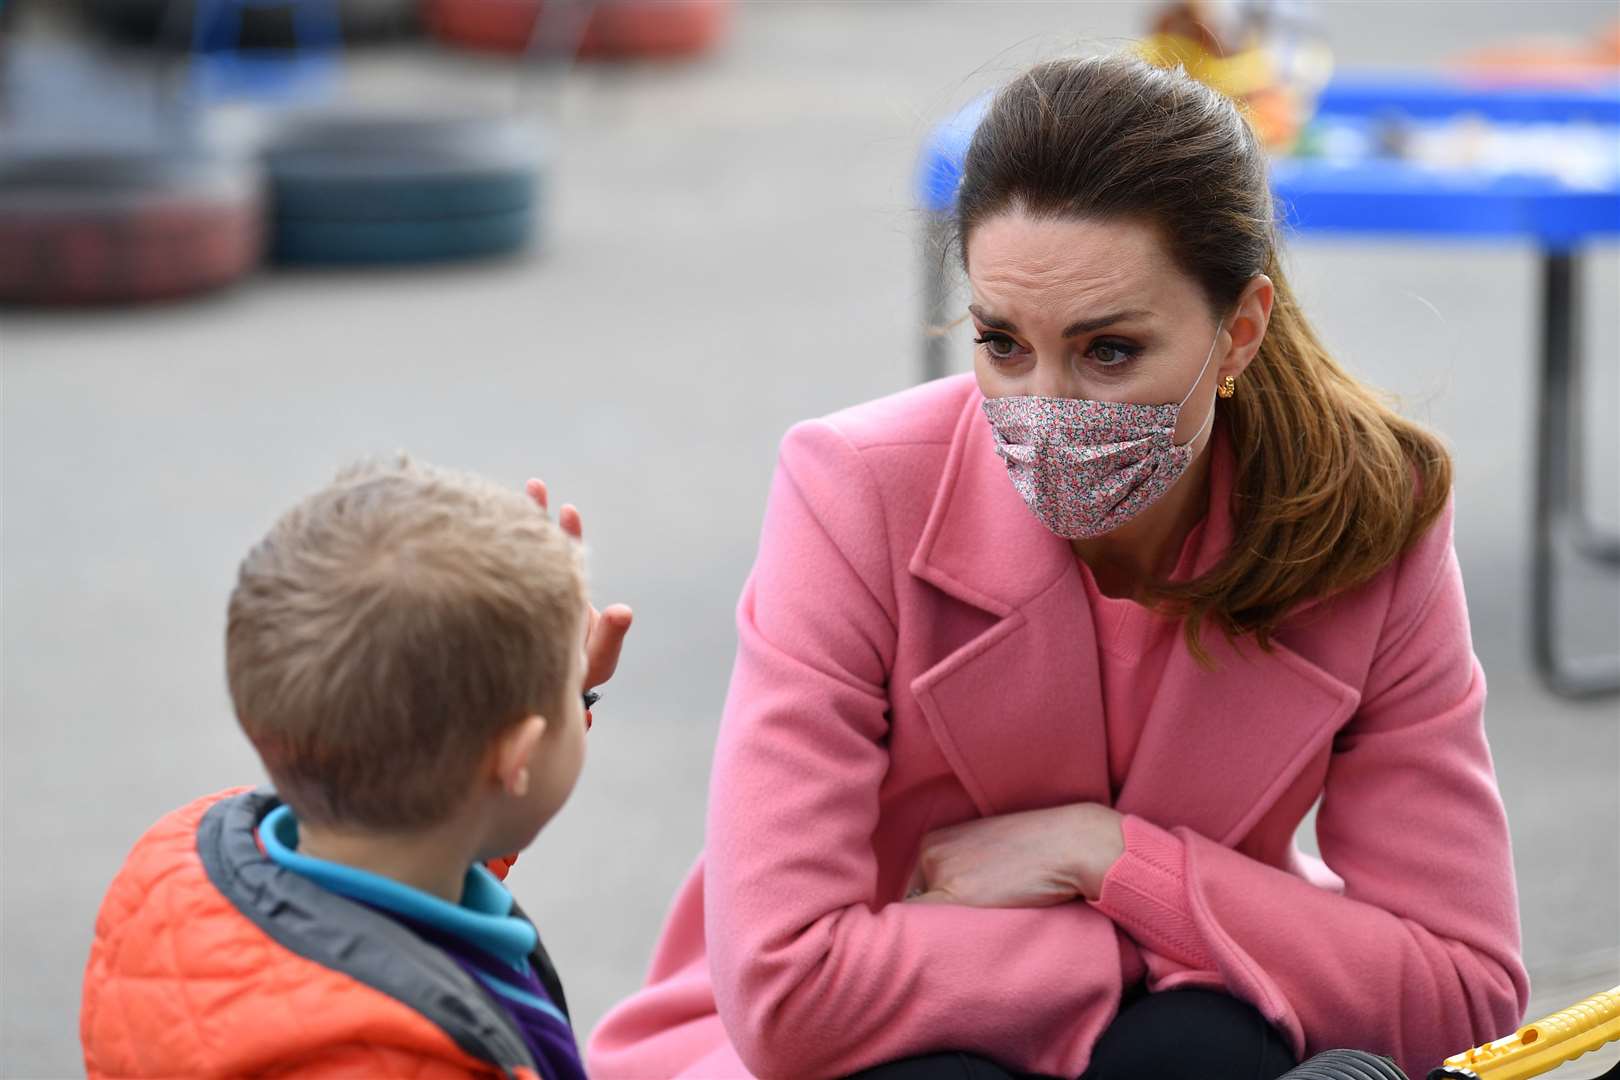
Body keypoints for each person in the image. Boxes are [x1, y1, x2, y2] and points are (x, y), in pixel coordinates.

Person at [588, 54, 1528, 1080]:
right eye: (1001, 343)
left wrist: (1110, 857)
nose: (1046, 408)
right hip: (853, 1056)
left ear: (1240, 331)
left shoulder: (1371, 518)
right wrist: (1162, 928)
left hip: (1149, 1026)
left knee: (1205, 1049)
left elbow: (1465, 995)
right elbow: (784, 996)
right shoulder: (851, 492)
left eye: (1109, 351)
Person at [80, 458, 631, 1079]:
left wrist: (542, 685)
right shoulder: (380, 1060)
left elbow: (443, 825)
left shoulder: (195, 870)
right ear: (516, 759)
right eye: (570, 686)